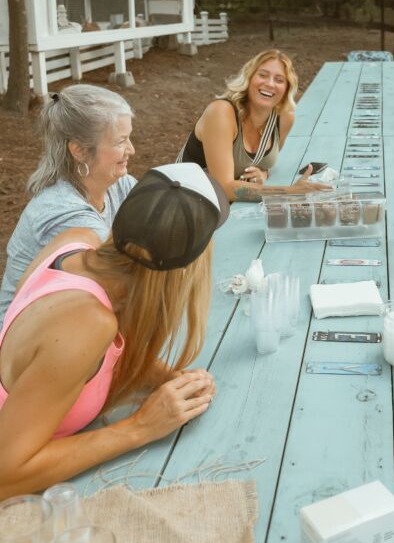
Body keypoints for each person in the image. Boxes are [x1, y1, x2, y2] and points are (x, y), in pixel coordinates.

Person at [0, 163, 228, 499]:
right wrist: (140, 428)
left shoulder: (75, 241)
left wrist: (163, 377)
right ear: (188, 268)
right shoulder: (88, 324)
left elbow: (57, 363)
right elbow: (6, 474)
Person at [0, 85, 136, 321]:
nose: (131, 150)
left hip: (64, 322)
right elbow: (119, 285)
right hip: (25, 343)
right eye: (120, 141)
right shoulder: (63, 212)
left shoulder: (119, 185)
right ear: (80, 151)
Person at [179, 48, 329, 202]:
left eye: (279, 80)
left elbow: (266, 164)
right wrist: (289, 192)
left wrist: (263, 173)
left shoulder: (284, 118)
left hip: (229, 206)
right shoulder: (221, 112)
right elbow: (223, 187)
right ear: (249, 78)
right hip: (188, 203)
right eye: (263, 75)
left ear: (286, 89)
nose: (270, 84)